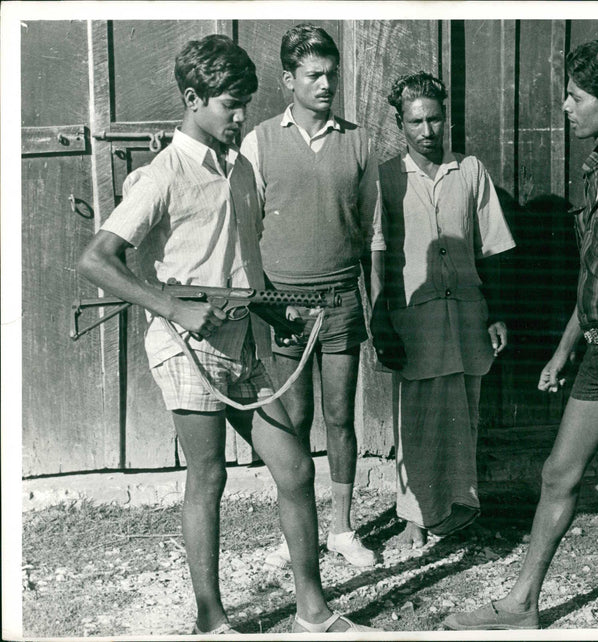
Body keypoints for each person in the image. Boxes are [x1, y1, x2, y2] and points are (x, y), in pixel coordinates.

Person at [77, 35, 375, 634]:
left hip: (240, 342)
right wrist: (174, 309)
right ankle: (212, 621)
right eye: (229, 106)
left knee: (293, 468)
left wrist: (272, 313)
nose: (241, 118)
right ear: (193, 99)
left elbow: (238, 268)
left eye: (245, 105)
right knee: (208, 475)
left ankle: (313, 613)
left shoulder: (237, 168)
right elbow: (97, 259)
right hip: (184, 344)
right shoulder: (163, 173)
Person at [445, 40, 598, 630]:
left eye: (575, 97)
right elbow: (595, 274)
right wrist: (564, 348)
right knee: (559, 473)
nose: (564, 106)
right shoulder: (597, 168)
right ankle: (522, 606)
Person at [240, 24, 378, 568]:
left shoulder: (359, 140)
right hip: (282, 306)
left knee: (340, 416)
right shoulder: (259, 141)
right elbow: (246, 231)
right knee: (292, 422)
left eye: (331, 74)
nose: (325, 84)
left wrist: (375, 298)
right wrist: (268, 300)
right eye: (313, 75)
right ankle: (294, 533)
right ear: (288, 80)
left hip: (341, 297)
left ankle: (342, 529)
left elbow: (372, 230)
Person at [370, 72, 516, 548]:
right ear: (400, 124)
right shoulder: (387, 178)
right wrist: (382, 318)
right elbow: (378, 254)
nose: (428, 131)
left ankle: (457, 510)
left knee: (463, 412)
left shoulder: (469, 171)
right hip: (415, 318)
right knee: (416, 417)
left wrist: (495, 312)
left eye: (435, 119)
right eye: (417, 122)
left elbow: (492, 247)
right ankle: (413, 517)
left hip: (468, 314)